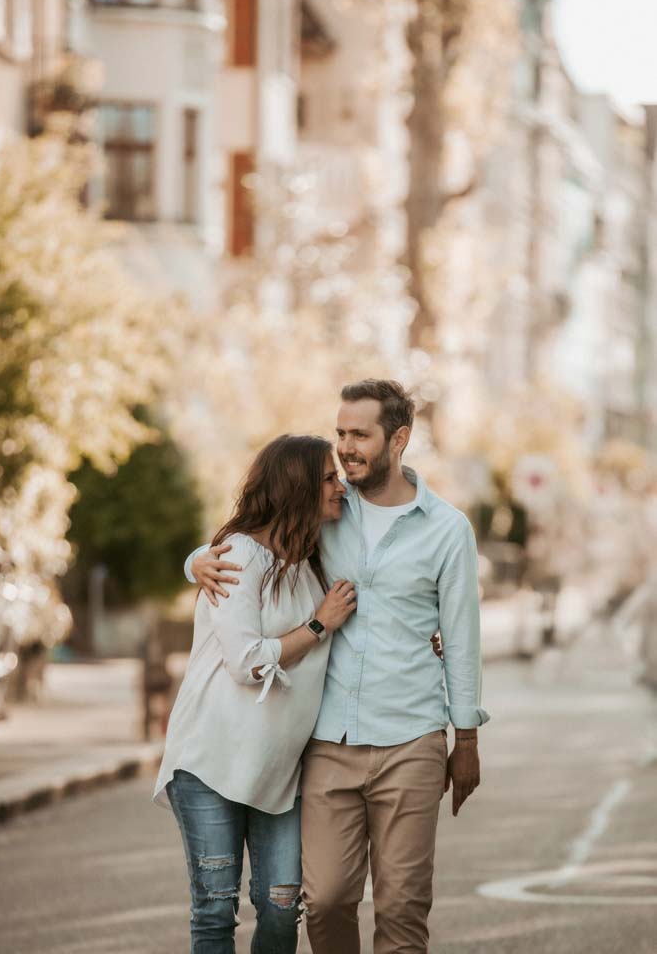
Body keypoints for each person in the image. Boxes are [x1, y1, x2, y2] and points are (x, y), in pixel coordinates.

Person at [188, 379, 490, 954]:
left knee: (402, 907)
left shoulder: (448, 530)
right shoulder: (325, 507)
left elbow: (462, 637)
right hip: (327, 738)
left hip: (412, 737)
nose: (346, 448)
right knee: (324, 901)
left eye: (360, 435)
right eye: (341, 433)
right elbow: (251, 537)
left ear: (398, 439)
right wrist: (196, 560)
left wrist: (467, 738)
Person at [154, 434, 358, 954]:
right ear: (296, 489)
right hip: (210, 763)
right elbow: (247, 663)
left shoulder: (313, 561)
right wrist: (318, 625)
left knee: (282, 906)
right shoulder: (241, 555)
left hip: (279, 773)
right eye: (329, 479)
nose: (342, 488)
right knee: (217, 908)